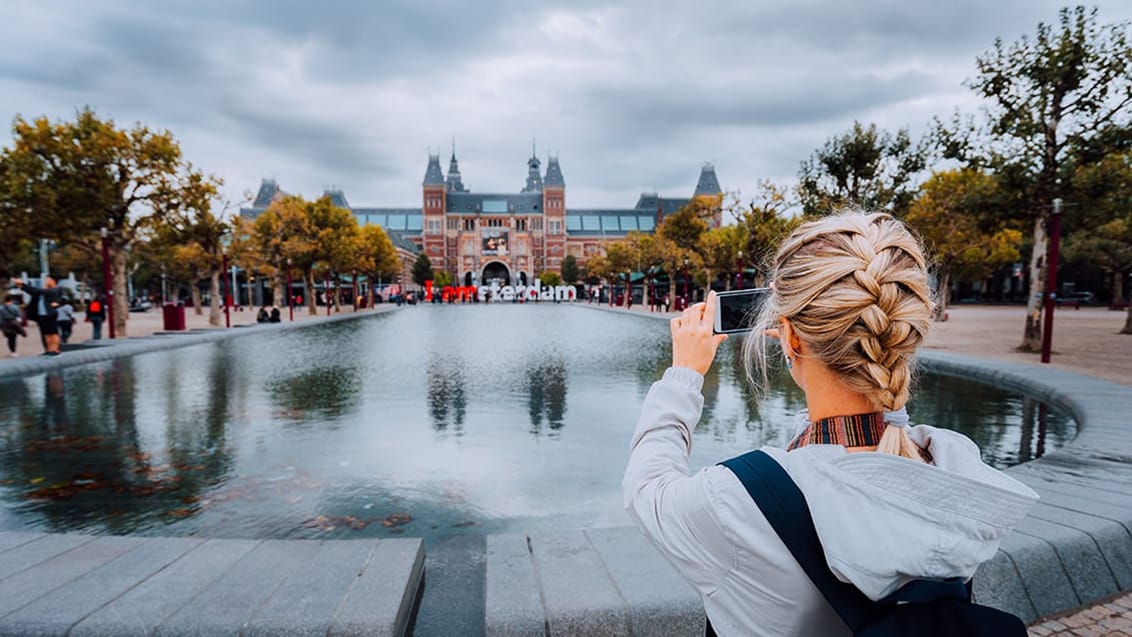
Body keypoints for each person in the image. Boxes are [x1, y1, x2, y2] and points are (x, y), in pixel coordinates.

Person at [622, 212, 1038, 636]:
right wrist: (801, 336)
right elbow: (857, 444)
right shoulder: (951, 466)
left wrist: (684, 374)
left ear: (791, 335)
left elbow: (646, 489)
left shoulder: (736, 501)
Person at [13, 277, 62, 355]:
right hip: (41, 315)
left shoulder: (54, 290)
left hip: (50, 315)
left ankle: (56, 350)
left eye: (48, 280)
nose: (46, 281)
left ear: (53, 281)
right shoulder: (43, 291)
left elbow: (36, 291)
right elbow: (34, 292)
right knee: (45, 334)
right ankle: (49, 350)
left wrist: (22, 284)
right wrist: (20, 286)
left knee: (53, 333)